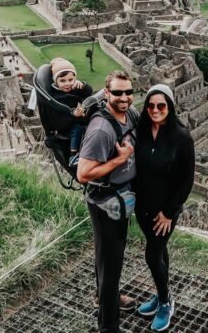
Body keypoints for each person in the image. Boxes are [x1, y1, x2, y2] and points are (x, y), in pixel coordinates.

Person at [77, 70, 139, 333]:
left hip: (120, 197)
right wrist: (120, 160)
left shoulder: (130, 115)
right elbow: (84, 173)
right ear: (106, 93)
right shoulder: (101, 130)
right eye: (117, 92)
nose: (124, 97)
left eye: (128, 92)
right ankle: (108, 325)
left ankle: (106, 297)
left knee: (107, 258)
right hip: (105, 201)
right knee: (111, 264)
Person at [133, 84, 195, 332]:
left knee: (151, 254)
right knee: (159, 252)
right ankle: (161, 296)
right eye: (150, 105)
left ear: (169, 107)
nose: (155, 110)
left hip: (164, 212)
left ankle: (166, 301)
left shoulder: (181, 137)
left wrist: (169, 212)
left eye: (161, 105)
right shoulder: (143, 131)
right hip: (143, 207)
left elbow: (187, 180)